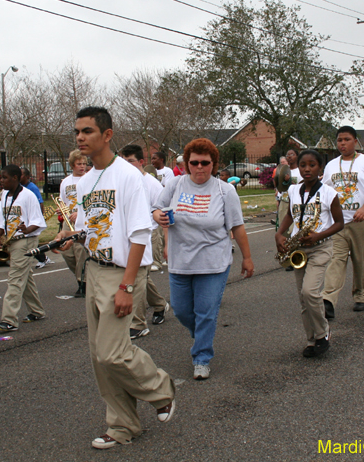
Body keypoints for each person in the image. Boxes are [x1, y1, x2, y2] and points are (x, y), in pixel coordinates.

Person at [55, 106, 176, 450]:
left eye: (88, 131)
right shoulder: (85, 180)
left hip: (121, 273)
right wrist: (69, 235)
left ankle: (161, 388)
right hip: (93, 268)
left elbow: (139, 234)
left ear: (107, 135)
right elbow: (90, 227)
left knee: (112, 353)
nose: (80, 137)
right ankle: (122, 426)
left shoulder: (128, 176)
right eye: (77, 131)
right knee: (99, 357)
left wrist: (126, 285)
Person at [154, 138, 254, 380]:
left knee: (206, 312)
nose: (200, 167)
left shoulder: (224, 190)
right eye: (194, 162)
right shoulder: (175, 185)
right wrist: (158, 216)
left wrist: (247, 258)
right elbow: (157, 208)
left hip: (213, 262)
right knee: (181, 310)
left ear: (214, 164)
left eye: (205, 163)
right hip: (181, 261)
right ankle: (201, 335)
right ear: (187, 163)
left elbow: (238, 227)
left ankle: (201, 357)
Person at [275, 149, 343, 357]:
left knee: (310, 292)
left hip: (320, 247)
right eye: (303, 165)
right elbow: (289, 214)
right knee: (303, 300)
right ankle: (311, 340)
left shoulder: (330, 194)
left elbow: (340, 223)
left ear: (320, 168)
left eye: (312, 165)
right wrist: (279, 234)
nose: (307, 169)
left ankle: (323, 332)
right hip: (299, 249)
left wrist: (317, 235)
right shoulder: (294, 190)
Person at [321, 126, 364, 317]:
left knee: (361, 259)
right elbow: (325, 192)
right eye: (339, 140)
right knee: (336, 259)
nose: (343, 143)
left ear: (355, 142)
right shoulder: (331, 165)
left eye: (347, 139)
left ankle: (362, 295)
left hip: (362, 220)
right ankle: (328, 300)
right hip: (338, 222)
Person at [120, 144, 169, 339]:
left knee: (138, 276)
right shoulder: (122, 182)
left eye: (130, 161)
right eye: (123, 161)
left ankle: (138, 323)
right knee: (140, 276)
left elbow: (164, 212)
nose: (127, 165)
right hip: (127, 235)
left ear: (141, 162)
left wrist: (166, 243)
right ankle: (159, 304)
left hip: (149, 234)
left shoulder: (152, 184)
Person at [0, 165, 48, 332]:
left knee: (15, 278)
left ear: (15, 178)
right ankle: (37, 311)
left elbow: (38, 220)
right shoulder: (4, 196)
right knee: (25, 276)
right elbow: (3, 217)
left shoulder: (28, 196)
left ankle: (9, 319)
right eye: (1, 177)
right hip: (11, 241)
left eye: (4, 177)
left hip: (25, 241)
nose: (1, 180)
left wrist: (28, 229)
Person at [59, 149, 88, 297]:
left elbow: (90, 202)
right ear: (72, 165)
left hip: (82, 222)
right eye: (79, 164)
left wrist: (80, 213)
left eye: (84, 163)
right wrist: (62, 211)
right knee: (68, 254)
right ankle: (82, 276)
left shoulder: (89, 179)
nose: (82, 166)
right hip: (68, 221)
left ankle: (82, 283)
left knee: (80, 253)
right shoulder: (65, 182)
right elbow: (64, 200)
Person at [21, 167, 54, 269]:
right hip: (25, 217)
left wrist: (40, 217)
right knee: (30, 241)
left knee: (32, 240)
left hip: (32, 218)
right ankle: (43, 258)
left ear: (27, 177)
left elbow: (40, 203)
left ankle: (43, 259)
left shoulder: (32, 187)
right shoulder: (20, 186)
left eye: (21, 174)